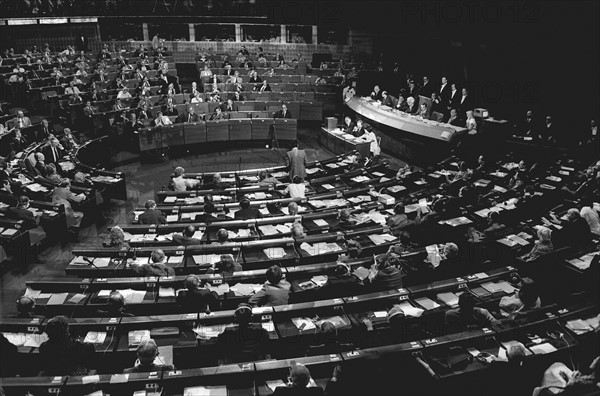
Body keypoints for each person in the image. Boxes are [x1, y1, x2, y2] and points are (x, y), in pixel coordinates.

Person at [272, 362, 341, 395]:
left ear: (290, 379)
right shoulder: (316, 392)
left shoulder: (280, 391)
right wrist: (334, 377)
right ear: (308, 381)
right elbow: (328, 394)